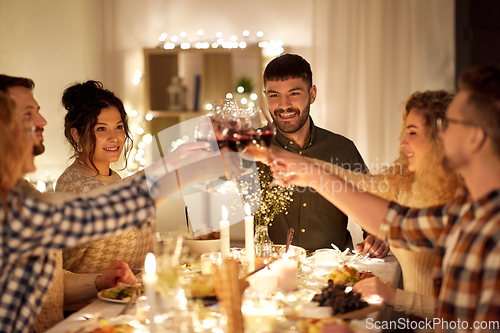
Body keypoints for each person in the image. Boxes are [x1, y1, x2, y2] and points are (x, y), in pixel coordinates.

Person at [0, 75, 242, 333]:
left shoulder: (19, 193)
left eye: (118, 127)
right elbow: (103, 211)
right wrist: (188, 168)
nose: (42, 121)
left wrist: (175, 161)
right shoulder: (15, 208)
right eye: (28, 114)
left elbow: (114, 202)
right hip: (89, 317)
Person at [269, 65, 500, 331]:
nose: (442, 133)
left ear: (475, 137)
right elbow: (394, 223)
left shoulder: (492, 227)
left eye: (449, 124)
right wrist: (302, 169)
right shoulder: (465, 211)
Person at [309, 90, 462, 324]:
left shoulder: (461, 202)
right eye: (405, 131)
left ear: (441, 135)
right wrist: (303, 167)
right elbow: (358, 184)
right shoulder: (407, 181)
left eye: (413, 132)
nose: (403, 142)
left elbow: (467, 313)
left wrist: (391, 295)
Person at [261, 53, 388, 256]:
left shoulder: (343, 149)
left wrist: (376, 238)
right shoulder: (253, 150)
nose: (283, 105)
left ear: (312, 94)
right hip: (269, 272)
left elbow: (374, 215)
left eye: (294, 93)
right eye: (274, 95)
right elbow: (208, 209)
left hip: (334, 275)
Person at [54, 81, 155, 312]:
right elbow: (58, 278)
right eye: (101, 129)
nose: (115, 138)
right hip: (87, 314)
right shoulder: (75, 188)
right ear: (77, 135)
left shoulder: (115, 179)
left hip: (127, 307)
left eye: (119, 127)